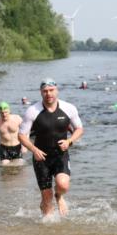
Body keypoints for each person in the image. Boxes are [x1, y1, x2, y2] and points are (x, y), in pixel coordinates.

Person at [18, 79, 84, 217]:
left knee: (63, 185)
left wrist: (70, 141)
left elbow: (79, 129)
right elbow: (22, 135)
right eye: (45, 91)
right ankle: (48, 231)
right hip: (41, 157)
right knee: (47, 198)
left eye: (51, 90)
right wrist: (34, 149)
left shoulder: (68, 108)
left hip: (61, 155)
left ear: (57, 90)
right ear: (41, 93)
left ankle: (59, 196)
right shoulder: (32, 111)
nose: (48, 94)